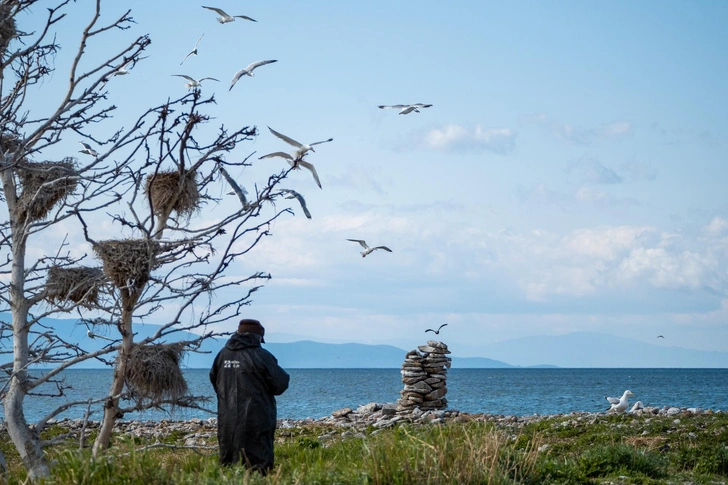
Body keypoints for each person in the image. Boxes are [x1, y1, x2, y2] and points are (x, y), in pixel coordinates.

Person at [210, 318, 290, 472]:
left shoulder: (222, 355)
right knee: (258, 463)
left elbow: (215, 380)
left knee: (229, 462)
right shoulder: (261, 355)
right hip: (257, 417)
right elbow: (280, 384)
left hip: (227, 417)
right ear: (258, 337)